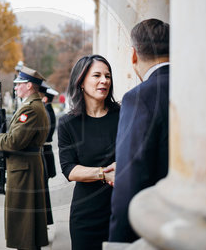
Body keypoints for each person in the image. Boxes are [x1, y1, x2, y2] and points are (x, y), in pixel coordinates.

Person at [108, 18, 170, 242]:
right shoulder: (198, 89)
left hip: (156, 227)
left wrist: (118, 242)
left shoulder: (139, 97)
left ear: (133, 55)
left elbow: (131, 177)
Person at [58, 55, 120, 250]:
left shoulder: (124, 115)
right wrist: (103, 172)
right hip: (86, 215)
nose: (104, 80)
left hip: (119, 210)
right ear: (81, 82)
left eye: (108, 76)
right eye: (97, 75)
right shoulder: (68, 123)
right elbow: (69, 170)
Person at [0, 66, 49, 249]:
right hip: (25, 167)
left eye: (19, 84)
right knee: (26, 220)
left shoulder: (31, 110)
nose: (15, 88)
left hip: (24, 169)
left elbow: (14, 141)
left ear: (30, 86)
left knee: (24, 222)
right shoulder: (31, 106)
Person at [39, 82, 59, 227]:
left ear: (45, 99)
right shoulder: (48, 109)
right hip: (46, 151)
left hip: (44, 152)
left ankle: (44, 221)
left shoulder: (45, 111)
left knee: (43, 192)